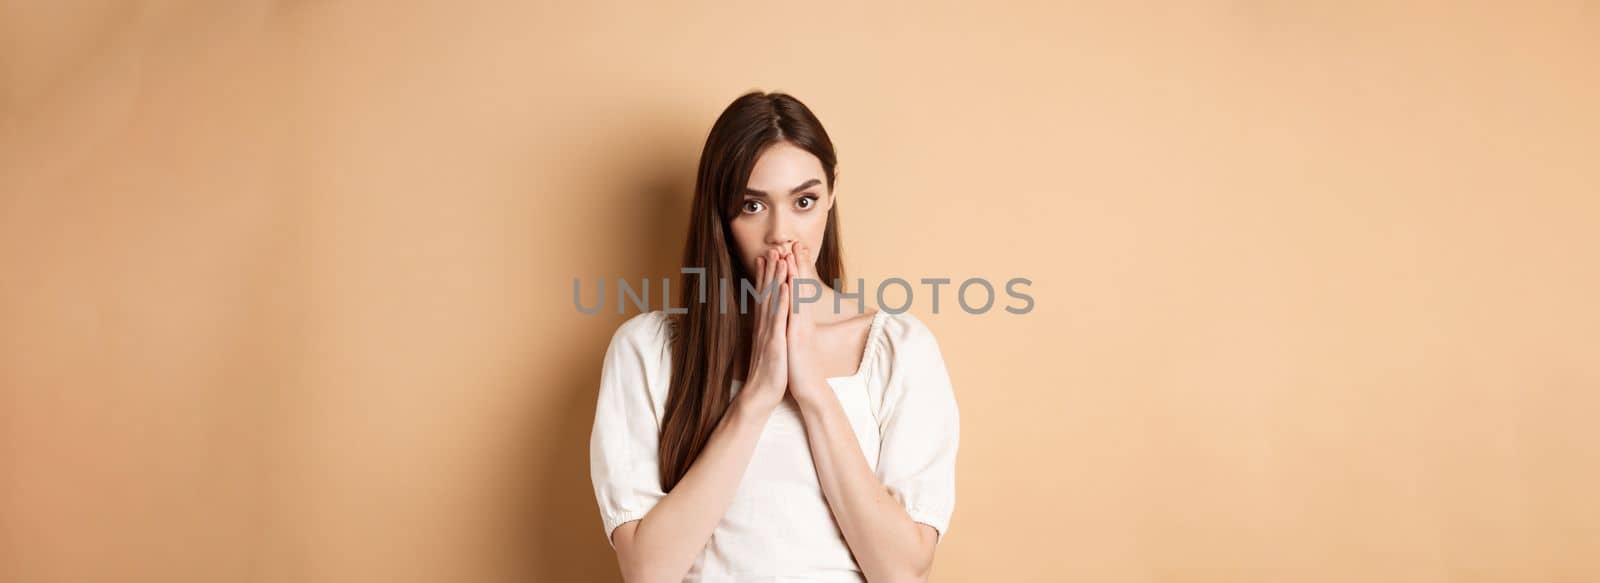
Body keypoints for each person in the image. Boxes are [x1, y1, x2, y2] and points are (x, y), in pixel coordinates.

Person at [589, 90, 959, 582]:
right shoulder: (647, 349)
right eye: (752, 205)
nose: (781, 233)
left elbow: (902, 571)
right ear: (720, 215)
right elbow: (648, 572)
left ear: (830, 198)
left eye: (803, 201)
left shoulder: (899, 348)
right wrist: (759, 393)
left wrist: (811, 389)